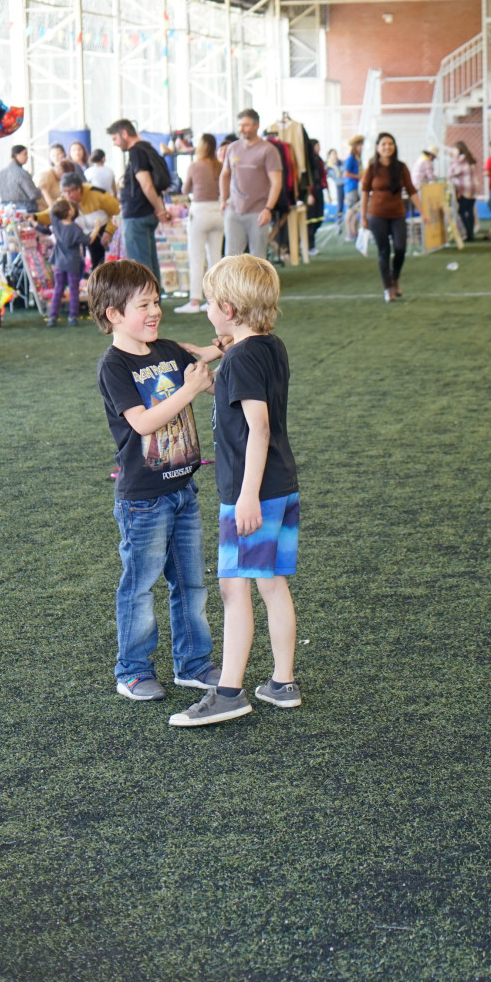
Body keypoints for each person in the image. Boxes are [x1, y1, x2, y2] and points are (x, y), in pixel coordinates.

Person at [170, 254, 299, 726]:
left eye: (209, 302)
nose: (206, 309)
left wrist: (246, 496)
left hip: (253, 493)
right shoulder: (267, 347)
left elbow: (257, 427)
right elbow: (241, 393)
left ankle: (228, 692)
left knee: (233, 588)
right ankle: (282, 682)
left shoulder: (241, 358)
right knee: (272, 583)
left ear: (227, 308)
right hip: (281, 486)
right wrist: (211, 372)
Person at [93, 259, 226, 702]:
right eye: (143, 305)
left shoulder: (168, 350)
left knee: (191, 583)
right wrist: (189, 389)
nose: (155, 312)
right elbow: (143, 422)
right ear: (114, 314)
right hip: (144, 500)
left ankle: (194, 664)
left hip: (183, 489)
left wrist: (230, 347)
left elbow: (210, 372)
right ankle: (132, 670)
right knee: (140, 586)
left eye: (156, 302)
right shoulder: (114, 366)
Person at [106, 119, 174, 284]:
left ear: (124, 133)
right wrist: (159, 209)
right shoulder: (148, 148)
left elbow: (147, 185)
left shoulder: (136, 152)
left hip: (137, 216)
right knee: (149, 266)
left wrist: (160, 210)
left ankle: (145, 298)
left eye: (115, 138)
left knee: (140, 269)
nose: (115, 144)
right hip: (146, 214)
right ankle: (153, 297)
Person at [360, 132, 417, 303]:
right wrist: (363, 217)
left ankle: (395, 277)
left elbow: (412, 191)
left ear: (394, 146)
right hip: (377, 215)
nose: (387, 147)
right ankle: (388, 288)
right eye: (383, 144)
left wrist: (425, 212)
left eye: (390, 144)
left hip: (398, 214)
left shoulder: (401, 168)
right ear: (377, 147)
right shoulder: (372, 168)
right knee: (384, 251)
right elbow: (365, 193)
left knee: (400, 248)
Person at [219, 109, 283, 260]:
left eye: (246, 125)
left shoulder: (268, 150)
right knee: (231, 259)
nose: (242, 129)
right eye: (240, 125)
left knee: (258, 259)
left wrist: (268, 209)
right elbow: (225, 174)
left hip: (258, 212)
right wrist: (223, 199)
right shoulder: (233, 148)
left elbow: (276, 182)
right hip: (234, 211)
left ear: (256, 126)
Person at [36, 172, 121, 276]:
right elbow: (52, 213)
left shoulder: (98, 195)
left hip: (106, 230)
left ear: (79, 189)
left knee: (110, 263)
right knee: (95, 264)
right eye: (64, 192)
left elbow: (117, 212)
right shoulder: (65, 200)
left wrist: (109, 231)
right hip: (87, 234)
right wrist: (34, 217)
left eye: (70, 192)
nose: (67, 195)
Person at [175, 133, 224, 315]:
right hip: (217, 211)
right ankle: (216, 301)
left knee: (196, 258)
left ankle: (195, 300)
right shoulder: (219, 166)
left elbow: (185, 189)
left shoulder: (195, 166)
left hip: (200, 212)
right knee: (215, 259)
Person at [45, 199, 89, 328]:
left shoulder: (57, 224)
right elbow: (87, 240)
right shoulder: (76, 229)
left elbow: (52, 211)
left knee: (58, 288)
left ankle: (52, 317)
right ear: (70, 212)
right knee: (74, 289)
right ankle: (73, 316)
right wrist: (97, 227)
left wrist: (57, 198)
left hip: (59, 262)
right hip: (73, 263)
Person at [0, 145, 45, 214]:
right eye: (25, 154)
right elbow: (33, 194)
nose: (27, 157)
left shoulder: (0, 174)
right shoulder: (22, 173)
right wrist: (40, 190)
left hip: (5, 210)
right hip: (25, 210)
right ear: (16, 155)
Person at [448, 141, 481, 241]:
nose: (453, 152)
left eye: (454, 150)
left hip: (465, 189)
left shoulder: (460, 161)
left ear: (459, 150)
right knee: (470, 211)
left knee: (462, 211)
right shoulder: (470, 160)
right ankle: (471, 234)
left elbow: (451, 173)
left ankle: (469, 233)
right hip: (474, 189)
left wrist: (452, 161)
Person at [342, 134, 364, 236]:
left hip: (357, 186)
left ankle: (354, 230)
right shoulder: (351, 158)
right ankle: (349, 232)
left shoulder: (357, 158)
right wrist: (358, 176)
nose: (361, 147)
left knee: (356, 210)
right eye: (360, 145)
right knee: (351, 209)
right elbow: (345, 173)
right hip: (351, 187)